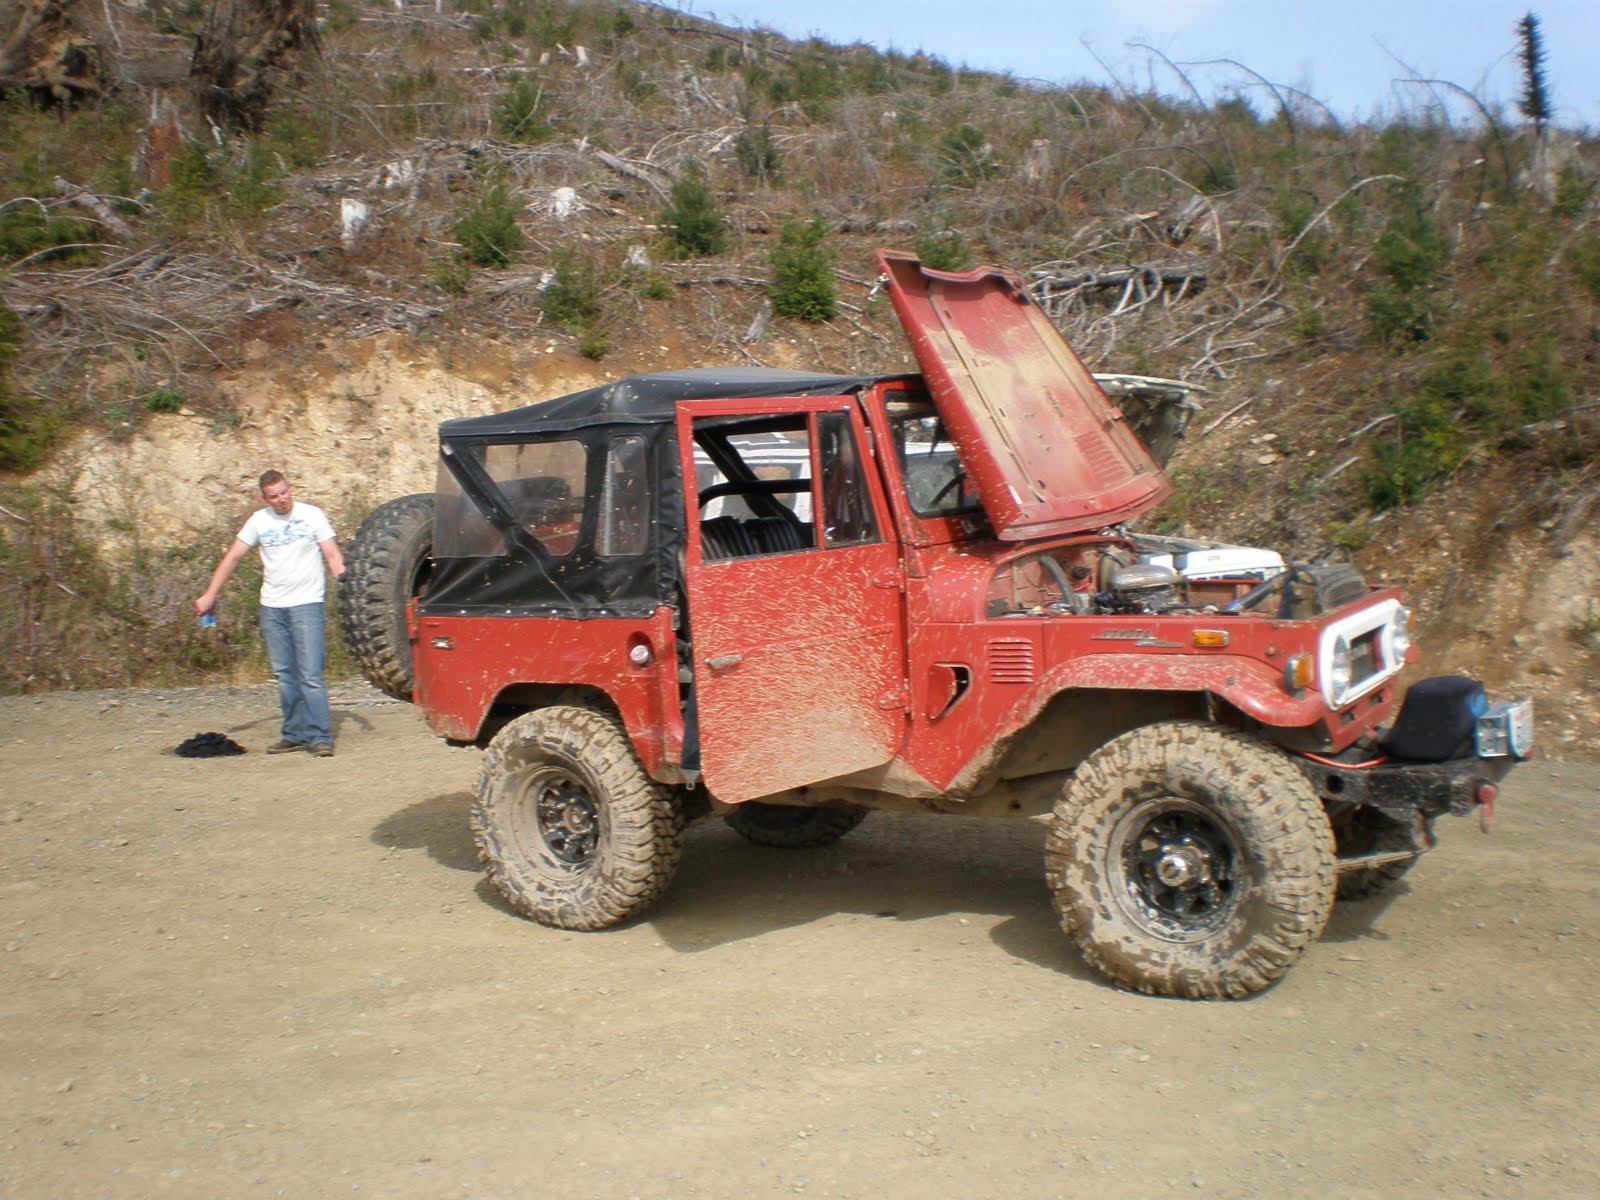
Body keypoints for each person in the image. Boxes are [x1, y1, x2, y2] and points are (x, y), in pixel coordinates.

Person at [195, 470, 346, 757]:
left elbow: (333, 557)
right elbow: (233, 557)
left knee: (311, 674)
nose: (281, 499)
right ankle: (294, 733)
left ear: (290, 488)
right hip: (273, 606)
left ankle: (319, 736)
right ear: (265, 498)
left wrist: (348, 584)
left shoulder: (312, 515)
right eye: (274, 496)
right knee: (285, 674)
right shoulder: (258, 521)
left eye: (284, 492)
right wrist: (210, 594)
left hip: (307, 603)